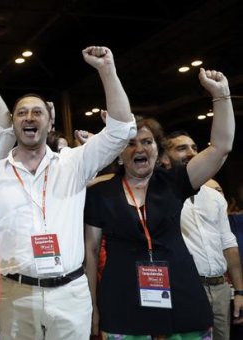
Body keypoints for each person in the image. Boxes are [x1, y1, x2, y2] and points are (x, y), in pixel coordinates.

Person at [0, 46, 136, 340]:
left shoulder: (74, 163)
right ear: (13, 124)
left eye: (37, 112)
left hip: (70, 295)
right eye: (22, 113)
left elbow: (121, 130)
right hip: (14, 294)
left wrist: (107, 70)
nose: (29, 117)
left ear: (49, 122)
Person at [84, 68, 234, 338]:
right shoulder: (100, 194)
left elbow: (221, 147)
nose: (139, 148)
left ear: (157, 150)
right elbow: (91, 252)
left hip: (181, 294)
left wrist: (221, 96)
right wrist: (92, 305)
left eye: (147, 141)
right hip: (122, 300)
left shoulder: (175, 182)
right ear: (119, 156)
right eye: (130, 144)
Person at [161, 130, 243, 339]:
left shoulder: (215, 197)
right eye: (181, 148)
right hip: (186, 288)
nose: (191, 152)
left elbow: (229, 244)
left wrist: (240, 291)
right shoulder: (159, 195)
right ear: (164, 158)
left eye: (194, 148)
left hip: (220, 288)